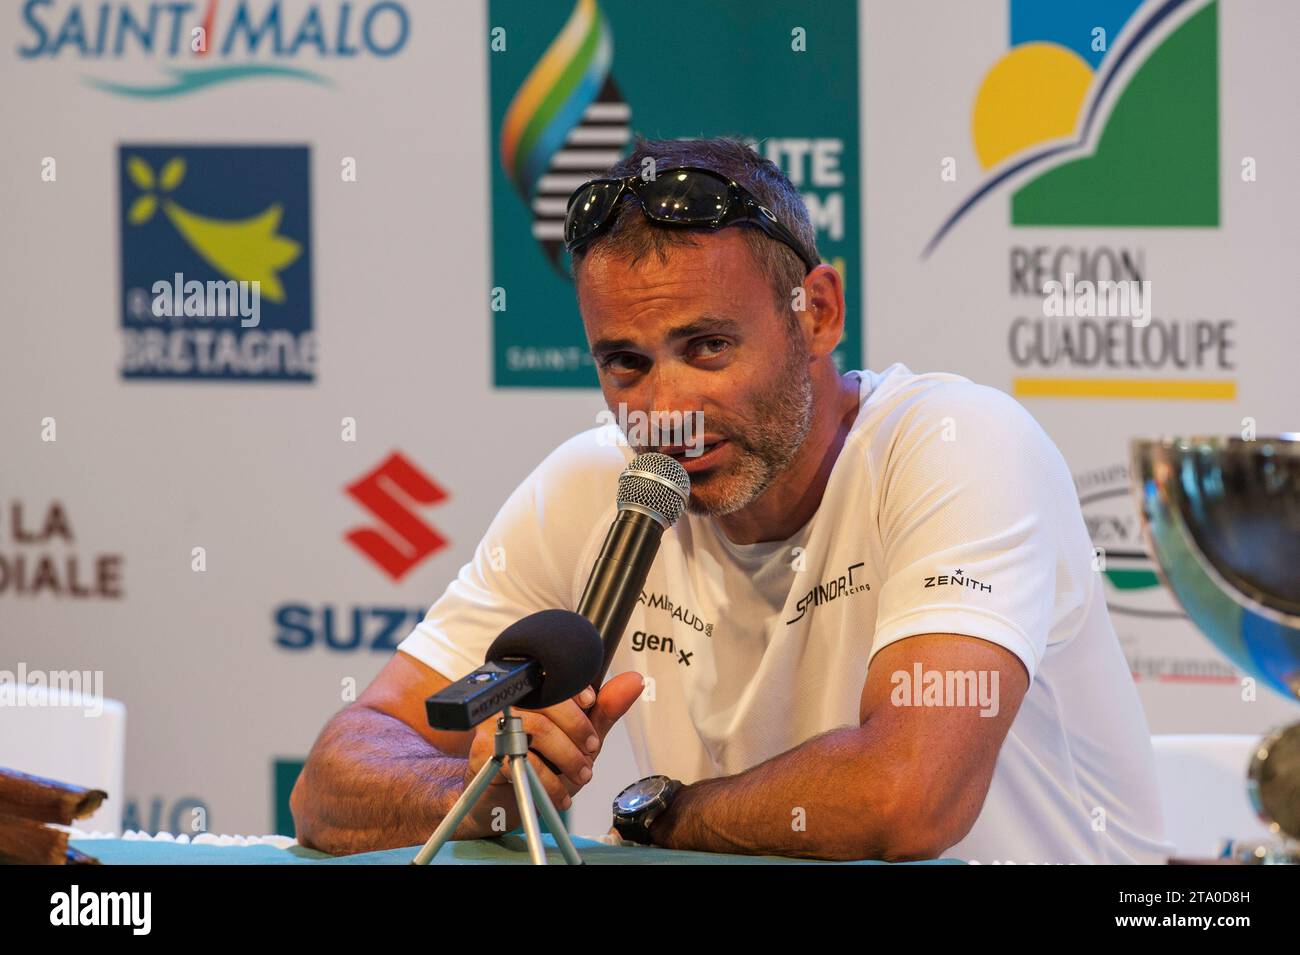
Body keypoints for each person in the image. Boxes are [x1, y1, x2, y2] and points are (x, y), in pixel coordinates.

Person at [291, 137, 1169, 863]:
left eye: (707, 346)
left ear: (817, 313)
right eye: (625, 362)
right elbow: (333, 780)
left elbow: (907, 796)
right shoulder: (595, 486)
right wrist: (492, 784)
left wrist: (656, 815)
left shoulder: (957, 446)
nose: (664, 411)